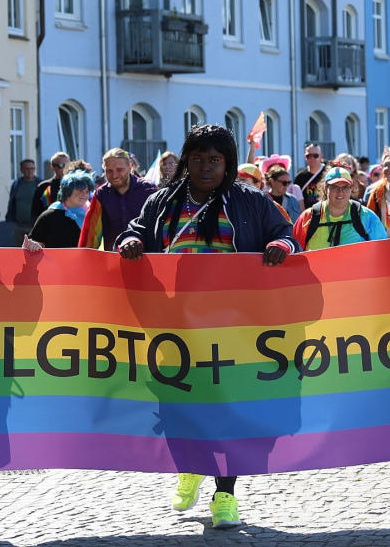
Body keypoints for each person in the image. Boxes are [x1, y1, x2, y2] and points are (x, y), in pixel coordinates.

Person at [116, 124, 300, 529]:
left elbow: (287, 234)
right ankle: (191, 466)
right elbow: (135, 232)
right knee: (175, 406)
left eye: (214, 160)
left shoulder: (250, 201)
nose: (205, 167)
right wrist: (129, 242)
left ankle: (225, 495)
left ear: (228, 163)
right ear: (186, 160)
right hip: (174, 327)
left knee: (228, 412)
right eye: (197, 159)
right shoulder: (163, 201)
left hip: (234, 329)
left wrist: (279, 248)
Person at [77, 148, 157, 250]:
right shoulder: (101, 194)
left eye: (119, 170)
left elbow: (161, 228)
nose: (114, 175)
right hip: (114, 261)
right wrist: (84, 260)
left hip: (147, 259)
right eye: (109, 171)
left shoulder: (149, 190)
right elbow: (90, 235)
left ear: (130, 166)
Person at [292, 168, 387, 250]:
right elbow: (294, 254)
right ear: (325, 189)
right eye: (334, 187)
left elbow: (383, 252)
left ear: (351, 189)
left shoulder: (366, 216)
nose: (340, 192)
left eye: (345, 187)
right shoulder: (308, 217)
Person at [25, 171, 94, 249]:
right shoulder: (48, 216)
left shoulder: (92, 216)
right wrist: (32, 246)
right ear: (67, 191)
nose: (85, 195)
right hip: (54, 261)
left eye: (87, 191)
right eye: (80, 191)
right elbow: (35, 245)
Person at [6, 159, 41, 246]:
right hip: (19, 226)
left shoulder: (40, 184)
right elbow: (12, 202)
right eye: (27, 169)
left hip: (35, 226)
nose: (30, 171)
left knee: (34, 251)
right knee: (20, 251)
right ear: (21, 170)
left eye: (32, 168)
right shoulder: (16, 184)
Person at [31, 152, 70, 221]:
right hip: (49, 227)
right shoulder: (43, 187)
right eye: (60, 165)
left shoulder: (76, 186)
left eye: (67, 165)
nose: (64, 168)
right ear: (53, 167)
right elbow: (35, 213)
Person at [294, 143, 326, 209]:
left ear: (321, 156)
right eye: (309, 156)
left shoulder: (328, 173)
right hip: (308, 216)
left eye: (315, 156)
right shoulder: (299, 177)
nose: (312, 158)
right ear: (305, 157)